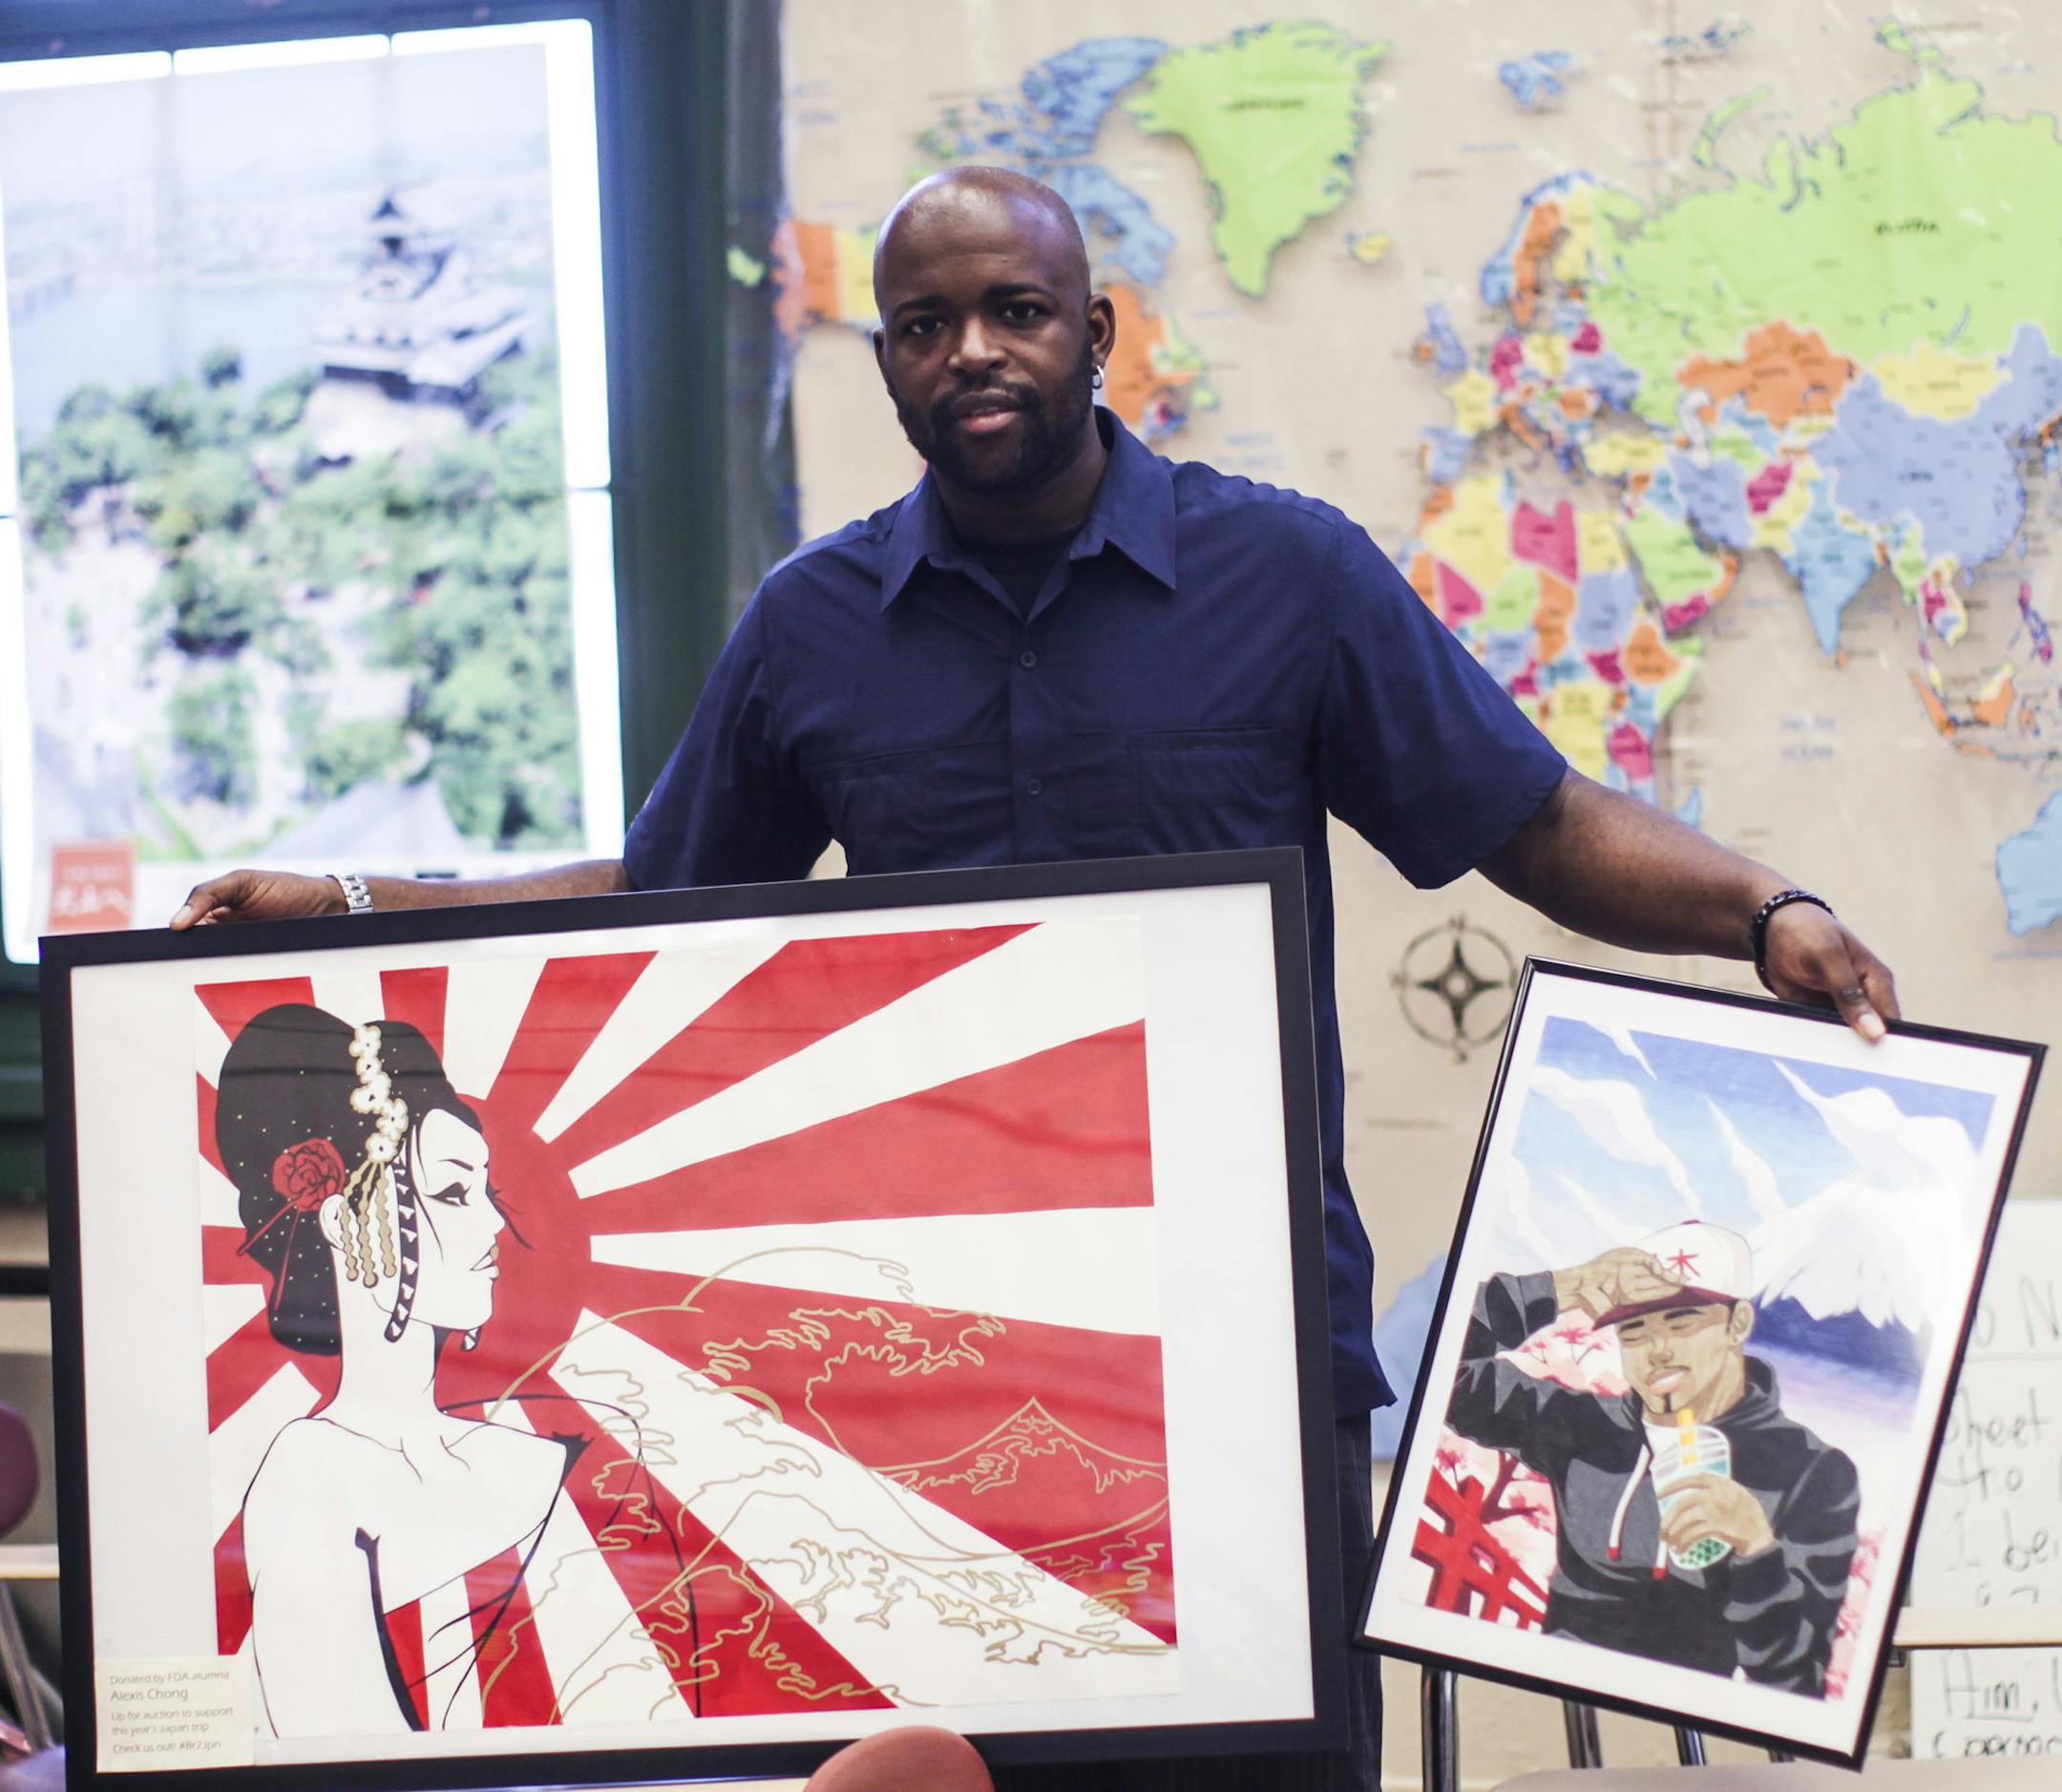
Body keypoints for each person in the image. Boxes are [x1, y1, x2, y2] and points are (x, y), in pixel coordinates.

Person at [173, 166, 1900, 1787]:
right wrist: (353, 899)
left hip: (1253, 1367)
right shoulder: (812, 624)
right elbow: (656, 895)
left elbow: (1531, 817)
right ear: (888, 364)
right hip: (929, 1393)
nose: (973, 352)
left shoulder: (1286, 576)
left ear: (1097, 331)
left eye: (1016, 310)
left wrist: (1763, 911)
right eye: (926, 325)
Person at [217, 1002, 576, 1736]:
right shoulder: (311, 1475)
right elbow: (339, 1755)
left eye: (485, 1190)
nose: (492, 1223)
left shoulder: (526, 1451)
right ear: (343, 1221)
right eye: (453, 1191)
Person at [1442, 1221, 1859, 1694]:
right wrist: (1563, 1288)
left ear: (1738, 1324)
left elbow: (1797, 1679)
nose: (1657, 1351)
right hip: (1557, 1696)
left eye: (1681, 1323)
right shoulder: (1578, 1425)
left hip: (1700, 1710)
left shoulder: (1810, 1470)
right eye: (1635, 1330)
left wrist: (1756, 1549)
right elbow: (1440, 1371)